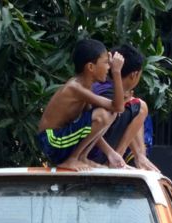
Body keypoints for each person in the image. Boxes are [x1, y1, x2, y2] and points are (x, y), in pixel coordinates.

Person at [38, 39, 125, 171]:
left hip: (60, 138)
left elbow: (93, 126)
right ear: (90, 67)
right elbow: (118, 106)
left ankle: (81, 157)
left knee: (109, 114)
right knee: (103, 114)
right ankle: (72, 159)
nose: (109, 67)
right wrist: (117, 72)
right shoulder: (75, 87)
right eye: (106, 63)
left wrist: (110, 153)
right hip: (51, 140)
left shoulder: (85, 87)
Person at [89, 44, 160, 172]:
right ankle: (117, 158)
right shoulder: (107, 92)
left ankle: (126, 158)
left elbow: (128, 121)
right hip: (92, 152)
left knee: (136, 107)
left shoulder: (103, 86)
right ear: (134, 75)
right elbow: (88, 127)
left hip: (88, 149)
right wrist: (112, 153)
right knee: (140, 106)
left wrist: (139, 155)